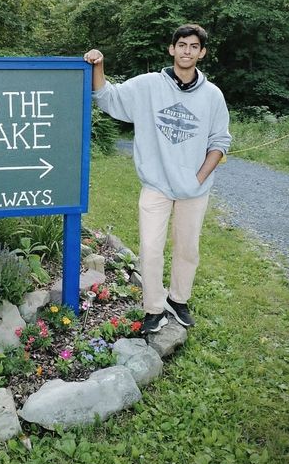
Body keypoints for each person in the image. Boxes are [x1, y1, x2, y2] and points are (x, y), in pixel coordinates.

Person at [84, 24, 231, 334]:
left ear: (201, 53)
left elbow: (219, 142)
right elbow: (108, 97)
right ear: (171, 49)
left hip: (194, 189)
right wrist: (99, 65)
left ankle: (178, 300)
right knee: (151, 249)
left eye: (194, 46)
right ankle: (153, 308)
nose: (187, 50)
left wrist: (198, 177)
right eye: (182, 44)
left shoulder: (213, 96)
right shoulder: (149, 85)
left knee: (187, 248)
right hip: (156, 186)